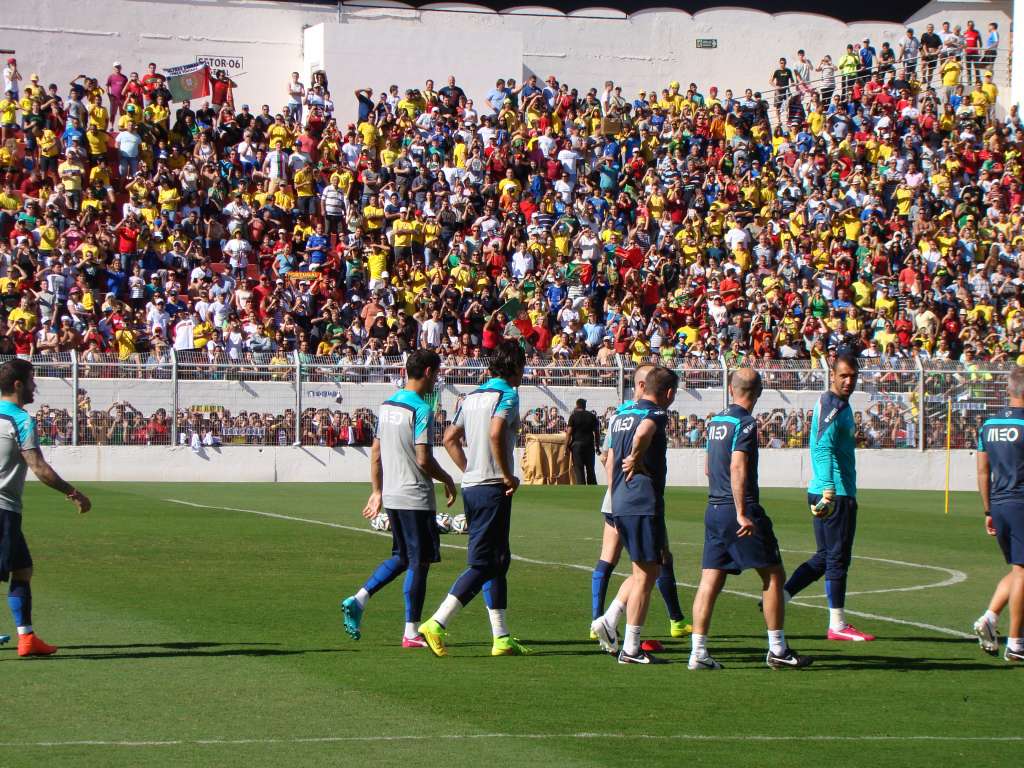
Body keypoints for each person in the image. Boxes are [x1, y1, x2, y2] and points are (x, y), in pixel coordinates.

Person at [689, 368, 812, 670]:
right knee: (773, 575)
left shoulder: (716, 421)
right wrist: (742, 511)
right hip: (737, 508)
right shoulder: (746, 424)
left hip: (714, 508)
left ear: (731, 389)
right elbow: (738, 467)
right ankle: (778, 649)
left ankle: (698, 653)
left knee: (710, 579)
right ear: (758, 393)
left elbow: (708, 468)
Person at [419, 340, 531, 657]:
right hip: (493, 485)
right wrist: (506, 473)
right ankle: (437, 623)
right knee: (484, 563)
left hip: (474, 484)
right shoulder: (507, 394)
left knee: (499, 559)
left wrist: (469, 469)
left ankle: (502, 636)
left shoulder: (471, 397)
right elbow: (497, 432)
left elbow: (450, 438)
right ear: (516, 367)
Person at [339, 349, 457, 648]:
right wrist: (447, 478)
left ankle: (359, 598)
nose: (438, 379)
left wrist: (377, 491)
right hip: (414, 496)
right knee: (419, 562)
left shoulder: (388, 405)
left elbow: (376, 452)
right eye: (438, 372)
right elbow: (423, 458)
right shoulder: (421, 409)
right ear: (429, 372)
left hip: (392, 494)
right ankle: (410, 631)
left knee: (402, 557)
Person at [589, 363, 689, 644]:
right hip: (643, 502)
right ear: (668, 392)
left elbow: (607, 456)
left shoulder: (620, 414)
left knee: (645, 568)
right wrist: (635, 456)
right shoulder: (655, 413)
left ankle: (608, 619)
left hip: (620, 500)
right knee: (647, 575)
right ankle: (632, 646)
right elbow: (644, 432)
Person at [0, 359, 91, 657]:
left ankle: (26, 637)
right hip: (3, 508)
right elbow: (38, 467)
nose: (34, 386)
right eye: (31, 380)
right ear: (17, 385)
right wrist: (73, 492)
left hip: (7, 509)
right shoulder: (21, 420)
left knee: (22, 569)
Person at [782, 353, 875, 641]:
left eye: (853, 376)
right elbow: (821, 448)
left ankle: (780, 597)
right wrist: (829, 489)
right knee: (837, 559)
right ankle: (837, 625)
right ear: (832, 374)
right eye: (844, 375)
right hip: (835, 493)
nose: (849, 381)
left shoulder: (840, 405)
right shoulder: (833, 405)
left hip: (829, 490)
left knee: (825, 556)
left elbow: (830, 443)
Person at [973, 366, 1024, 662]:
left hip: (1000, 504)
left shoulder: (988, 424)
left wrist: (988, 509)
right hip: (1020, 502)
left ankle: (991, 618)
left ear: (1008, 390)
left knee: (1018, 568)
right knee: (1022, 571)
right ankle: (1016, 643)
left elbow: (982, 470)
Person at [565, 398, 600, 485]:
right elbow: (597, 433)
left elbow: (569, 433)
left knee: (579, 469)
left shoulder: (573, 416)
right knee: (590, 469)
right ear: (585, 406)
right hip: (589, 445)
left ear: (577, 405)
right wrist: (597, 447)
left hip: (576, 446)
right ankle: (592, 489)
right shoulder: (592, 416)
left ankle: (581, 488)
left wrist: (565, 447)